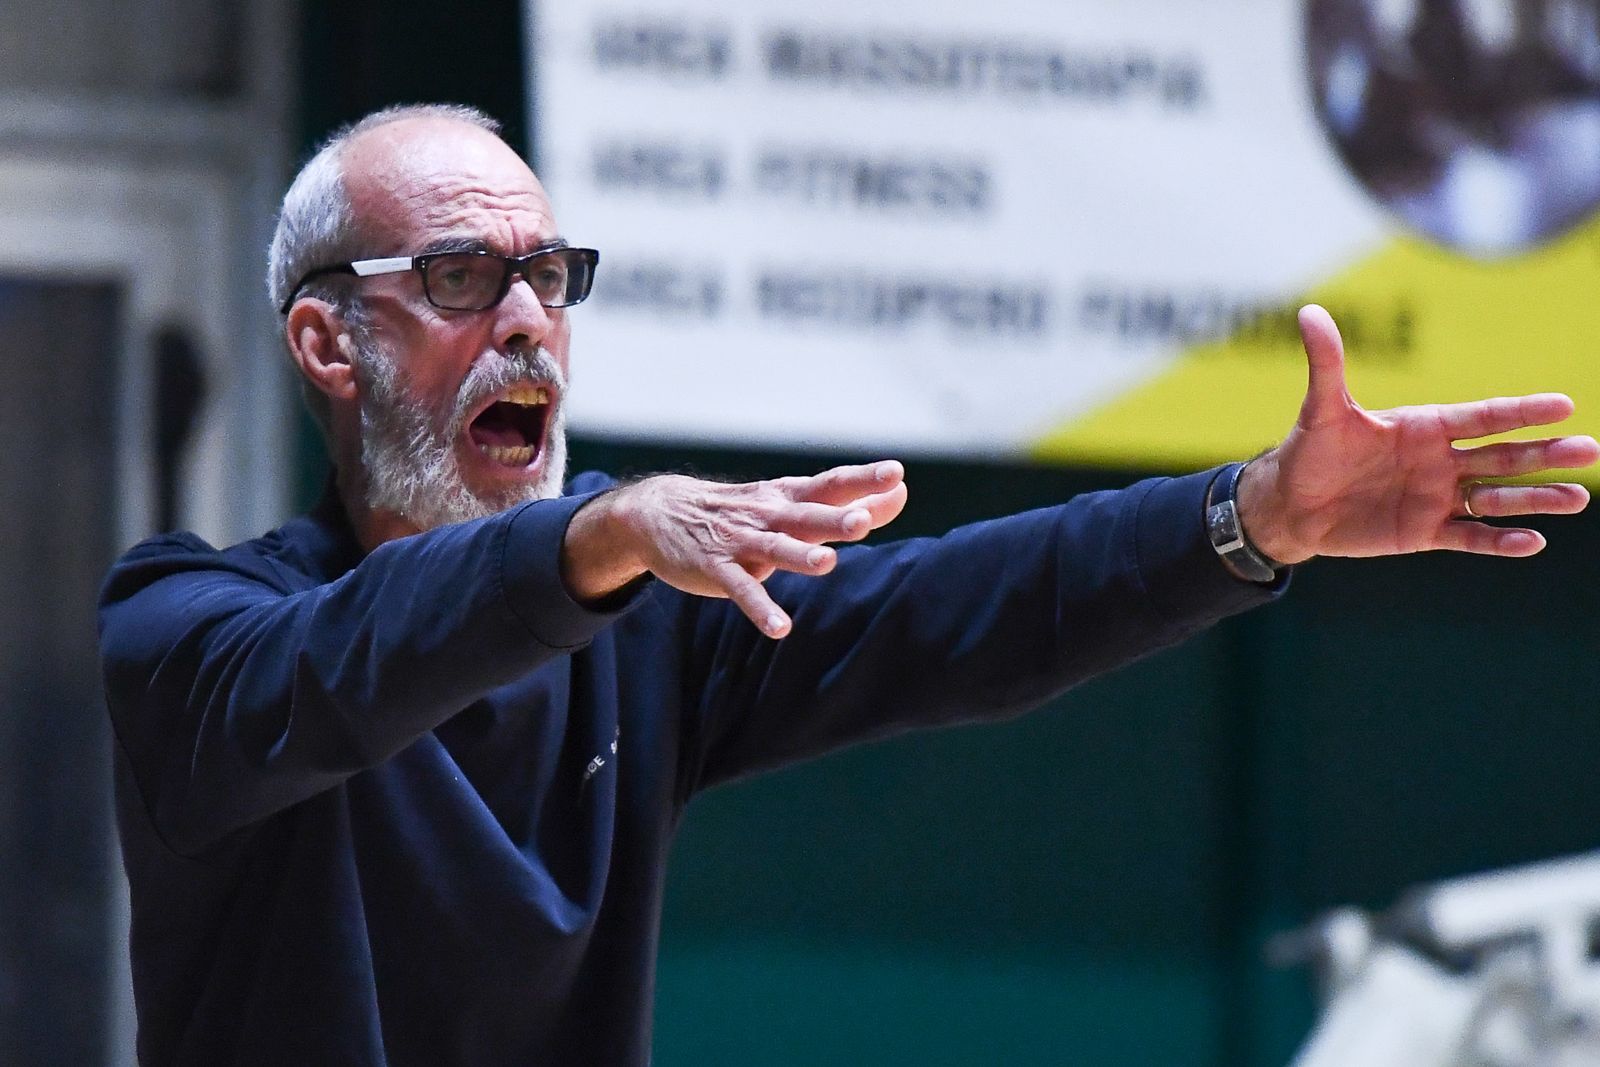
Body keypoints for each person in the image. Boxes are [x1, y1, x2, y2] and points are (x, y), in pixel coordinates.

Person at [98, 103, 1597, 1066]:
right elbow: (346, 666)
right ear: (327, 343)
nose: (530, 321)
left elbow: (966, 611)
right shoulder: (187, 637)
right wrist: (597, 541)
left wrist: (1252, 517)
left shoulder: (641, 632)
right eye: (458, 279)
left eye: (550, 275)